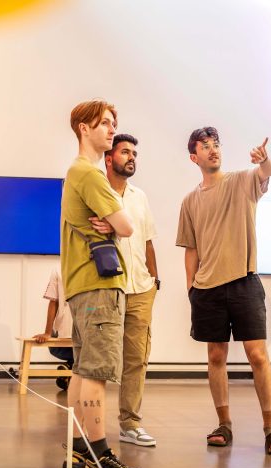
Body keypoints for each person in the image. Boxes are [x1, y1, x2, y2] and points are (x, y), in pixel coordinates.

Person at [176, 126, 271, 455]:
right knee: (215, 357)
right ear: (193, 157)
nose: (213, 150)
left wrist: (265, 159)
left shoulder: (242, 181)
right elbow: (191, 249)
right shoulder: (189, 201)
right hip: (207, 289)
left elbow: (267, 172)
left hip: (244, 282)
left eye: (216, 144)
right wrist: (191, 290)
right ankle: (224, 424)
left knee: (258, 355)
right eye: (205, 146)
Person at [60, 99, 144, 468]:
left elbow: (118, 224)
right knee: (96, 372)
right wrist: (115, 223)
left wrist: (113, 223)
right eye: (105, 124)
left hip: (82, 286)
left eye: (113, 123)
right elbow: (126, 224)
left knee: (82, 369)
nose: (112, 130)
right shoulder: (90, 175)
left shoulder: (75, 172)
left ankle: (80, 447)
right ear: (84, 128)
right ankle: (100, 455)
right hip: (99, 286)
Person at [102, 134, 159, 447]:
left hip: (141, 288)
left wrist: (155, 279)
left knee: (136, 359)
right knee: (100, 361)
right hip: (107, 289)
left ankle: (130, 424)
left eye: (134, 152)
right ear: (109, 158)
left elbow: (148, 240)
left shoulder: (140, 196)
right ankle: (89, 425)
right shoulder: (97, 191)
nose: (131, 157)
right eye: (125, 152)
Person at [32, 268, 74, 390]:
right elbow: (53, 302)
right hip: (79, 331)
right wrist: (47, 333)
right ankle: (71, 367)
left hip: (67, 332)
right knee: (86, 356)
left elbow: (53, 302)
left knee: (82, 355)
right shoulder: (59, 270)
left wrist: (48, 332)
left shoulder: (58, 269)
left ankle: (70, 367)